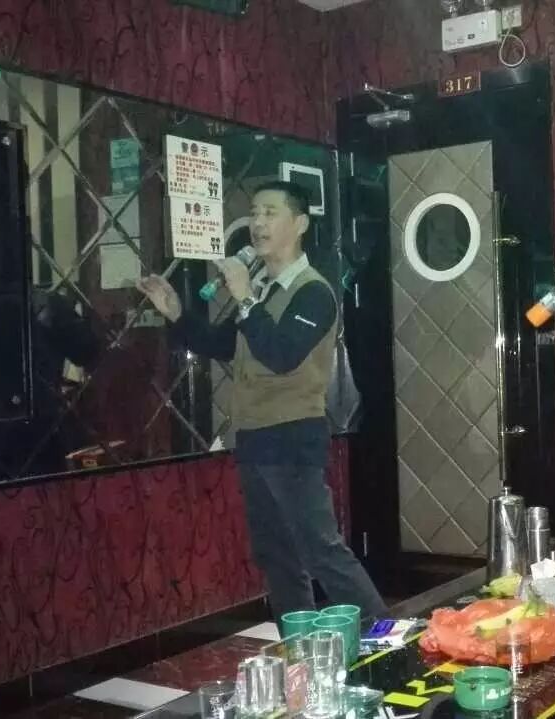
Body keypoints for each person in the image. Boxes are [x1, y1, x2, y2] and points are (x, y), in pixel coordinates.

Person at [137, 181, 385, 620]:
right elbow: (223, 344)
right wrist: (175, 311)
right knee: (278, 557)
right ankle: (301, 646)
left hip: (293, 436)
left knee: (321, 550)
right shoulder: (264, 288)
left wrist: (246, 298)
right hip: (255, 437)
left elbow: (281, 354)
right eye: (254, 213)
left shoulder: (313, 291)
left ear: (300, 224)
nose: (257, 223)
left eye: (270, 213)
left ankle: (387, 633)